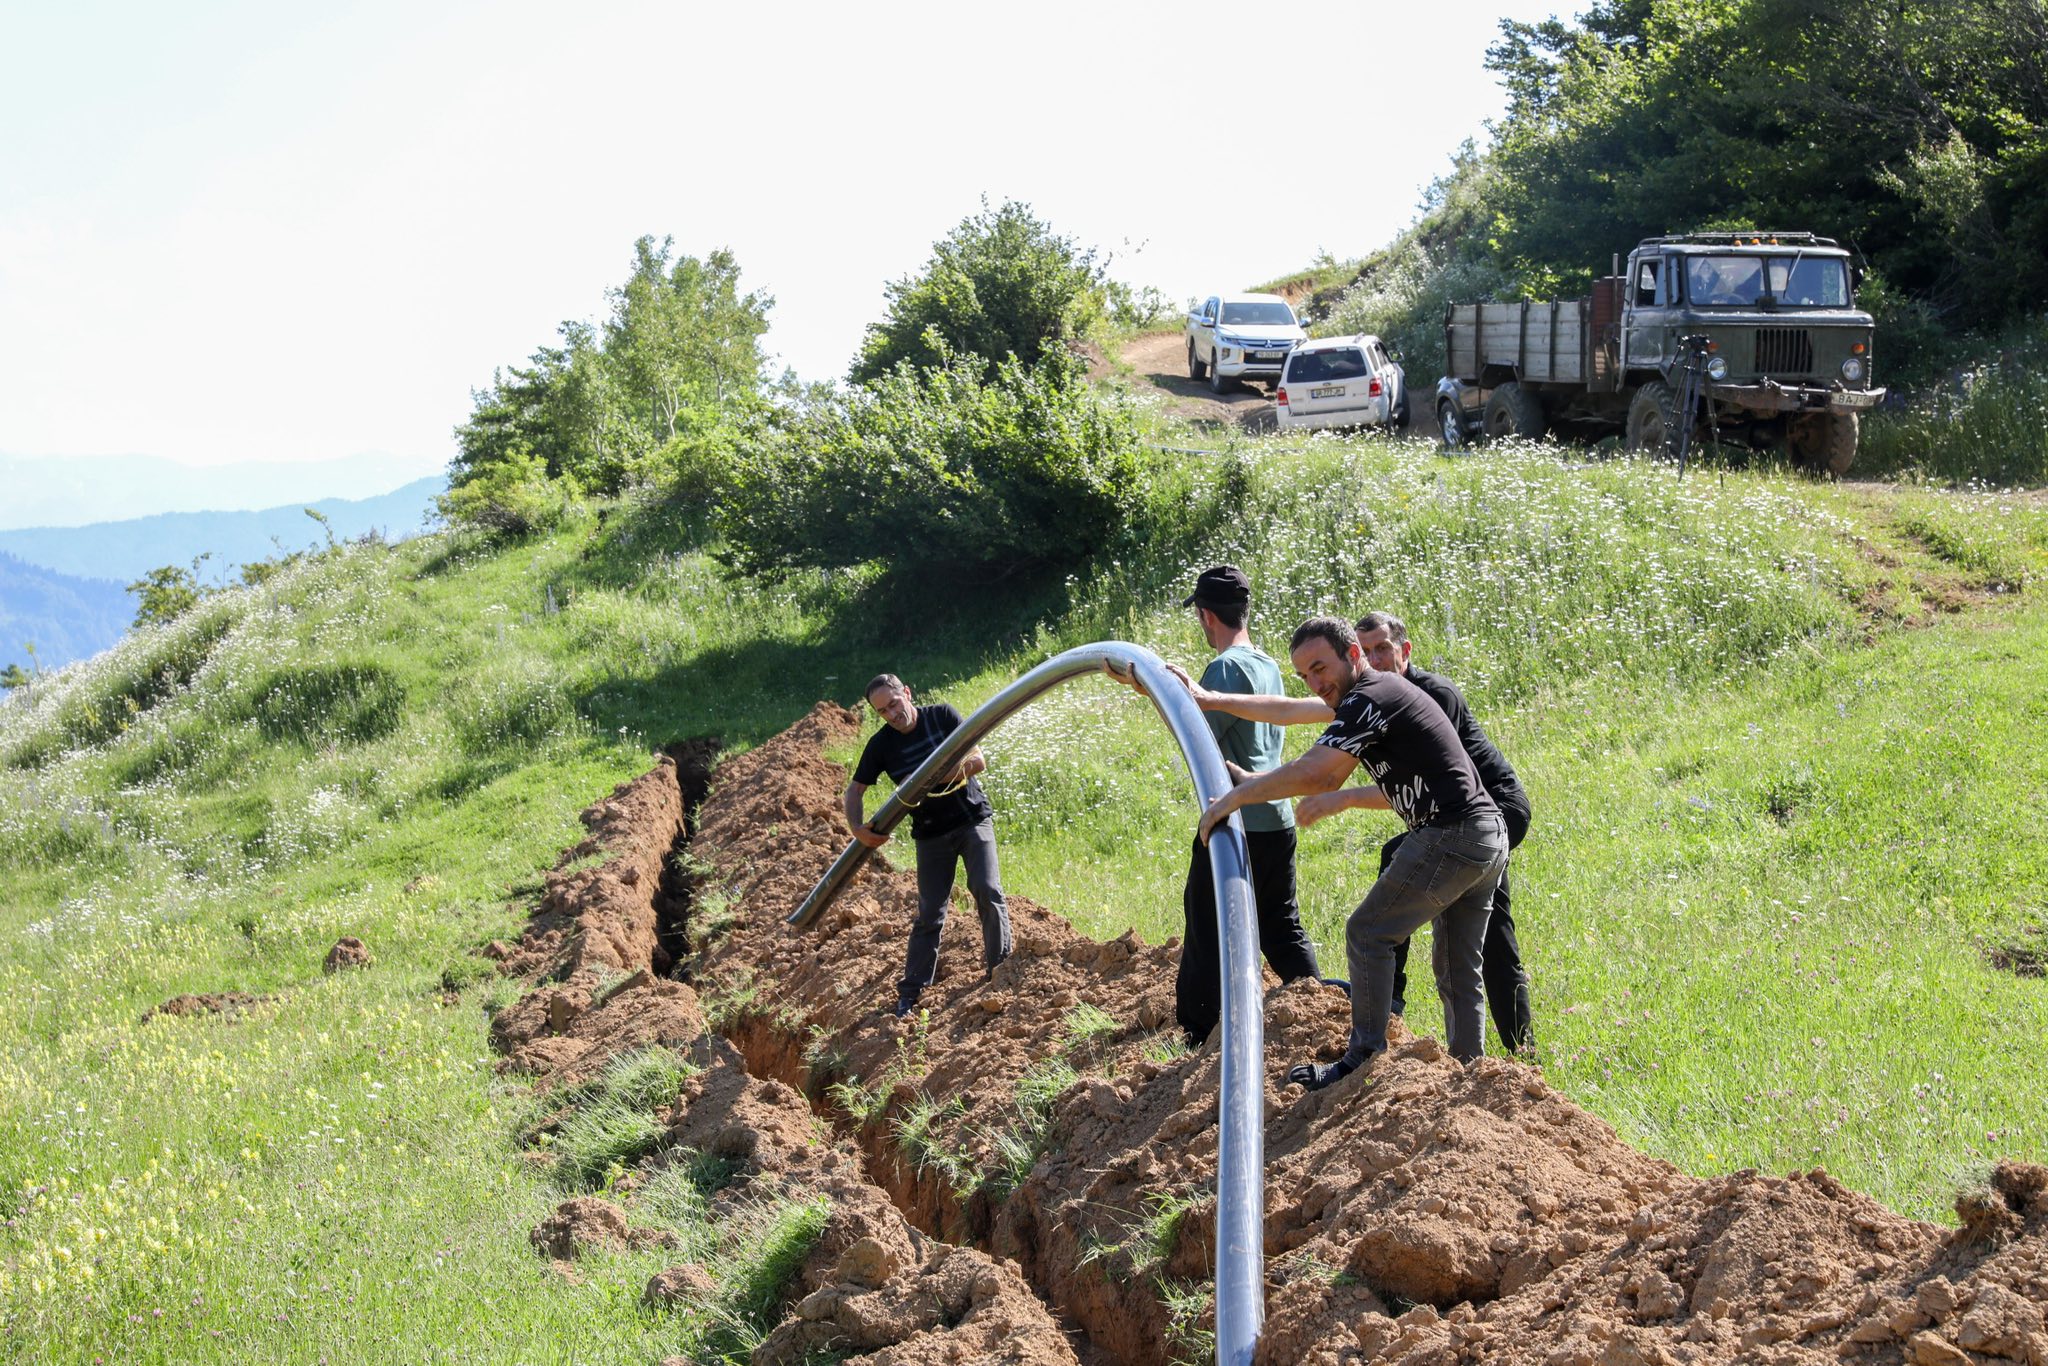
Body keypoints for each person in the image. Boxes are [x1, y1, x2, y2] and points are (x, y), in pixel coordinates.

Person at [1178, 612, 1538, 1053]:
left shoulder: (1373, 697)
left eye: (1319, 669)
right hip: (1484, 832)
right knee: (1455, 968)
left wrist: (1237, 797)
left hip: (1456, 830)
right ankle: (1469, 1074)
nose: (1313, 682)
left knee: (1367, 933)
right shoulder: (1372, 693)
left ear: (1352, 656)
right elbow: (1291, 711)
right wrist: (1210, 699)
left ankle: (1363, 1055)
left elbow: (1319, 775)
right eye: (1303, 674)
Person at [1306, 613, 1536, 1052]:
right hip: (1460, 818)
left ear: (1405, 651)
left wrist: (1343, 797)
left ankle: (1520, 1047)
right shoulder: (1372, 695)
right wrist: (1213, 700)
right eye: (1366, 649)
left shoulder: (1431, 694)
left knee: (1490, 931)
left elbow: (1435, 778)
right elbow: (1300, 713)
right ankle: (1394, 995)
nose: (1375, 658)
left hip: (1494, 806)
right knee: (1409, 869)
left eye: (1383, 649)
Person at [1171, 566, 1320, 1047]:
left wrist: (1172, 699)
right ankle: (1320, 1006)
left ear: (1205, 615)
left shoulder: (1222, 670)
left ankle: (1200, 1034)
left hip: (1236, 822)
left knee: (1207, 923)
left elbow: (1198, 743)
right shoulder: (1268, 664)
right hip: (1275, 817)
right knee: (1280, 926)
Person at [843, 674, 1011, 1019]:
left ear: (907, 693)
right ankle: (912, 992)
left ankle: (1000, 971)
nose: (892, 713)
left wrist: (920, 780)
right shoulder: (881, 745)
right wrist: (857, 829)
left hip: (971, 819)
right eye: (883, 711)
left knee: (986, 889)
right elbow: (855, 790)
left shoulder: (942, 716)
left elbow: (977, 761)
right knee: (929, 912)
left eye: (894, 703)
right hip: (931, 834)